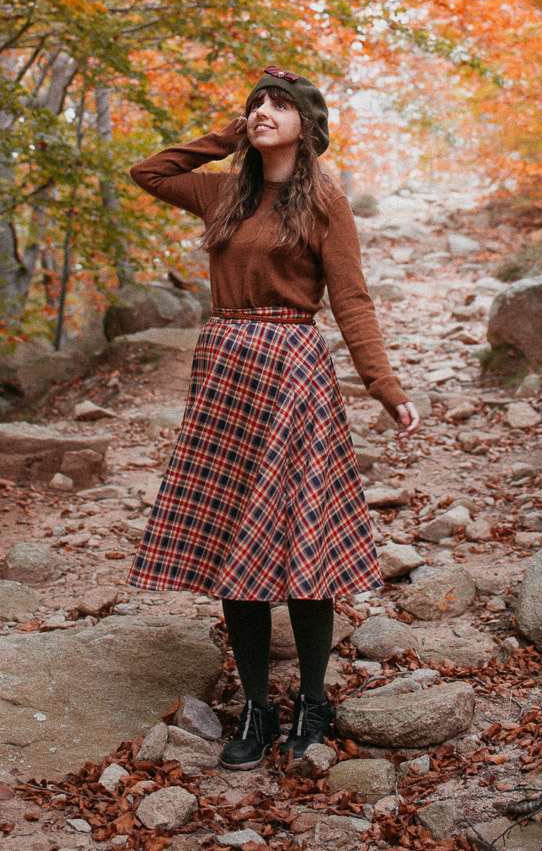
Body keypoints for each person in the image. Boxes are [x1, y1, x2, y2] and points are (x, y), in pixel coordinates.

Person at [127, 65, 419, 770]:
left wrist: (385, 384)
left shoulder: (323, 199)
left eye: (278, 105)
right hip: (226, 367)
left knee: (302, 538)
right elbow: (149, 170)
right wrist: (229, 136)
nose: (262, 111)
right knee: (238, 539)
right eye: (255, 104)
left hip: (292, 366)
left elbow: (351, 300)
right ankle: (257, 706)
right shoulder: (224, 191)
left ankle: (311, 703)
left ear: (307, 125)